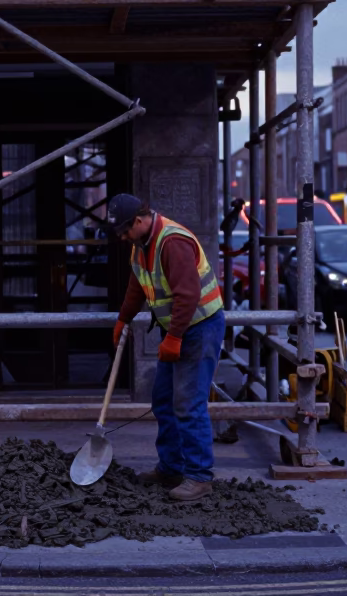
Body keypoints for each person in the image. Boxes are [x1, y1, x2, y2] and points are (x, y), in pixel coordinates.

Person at [109, 194, 225, 502]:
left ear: (139, 221)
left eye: (124, 230)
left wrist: (173, 338)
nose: (121, 238)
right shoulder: (140, 245)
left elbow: (187, 296)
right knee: (163, 399)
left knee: (188, 404)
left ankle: (199, 477)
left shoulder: (172, 242)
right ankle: (172, 468)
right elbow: (138, 284)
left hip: (199, 328)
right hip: (179, 329)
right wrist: (124, 318)